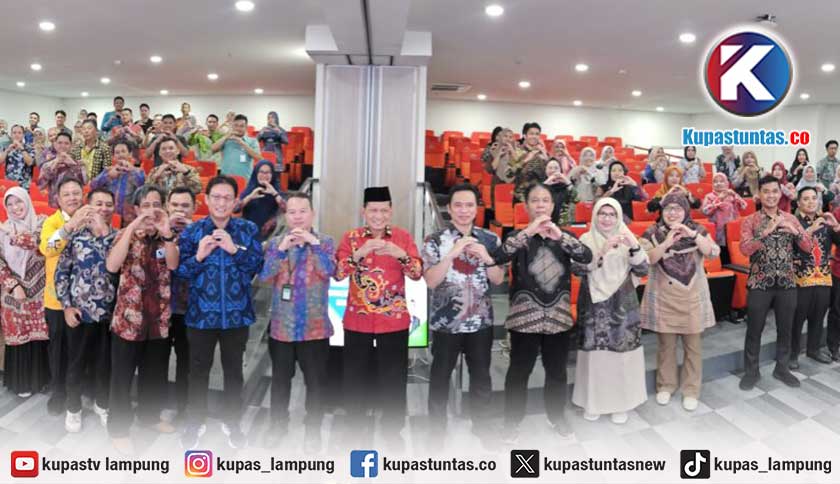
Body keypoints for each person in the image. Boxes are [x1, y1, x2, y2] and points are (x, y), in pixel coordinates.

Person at [490, 183, 592, 441]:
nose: (540, 205)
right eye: (534, 200)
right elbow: (498, 256)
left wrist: (560, 236)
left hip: (558, 317)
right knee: (519, 371)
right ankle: (511, 422)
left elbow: (586, 257)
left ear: (553, 205)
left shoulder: (564, 237)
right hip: (524, 318)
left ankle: (556, 417)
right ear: (526, 206)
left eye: (545, 200)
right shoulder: (518, 236)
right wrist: (529, 231)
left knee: (557, 371)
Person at [176, 176, 264, 450]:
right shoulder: (192, 232)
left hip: (237, 316)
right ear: (206, 199)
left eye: (227, 198)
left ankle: (232, 421)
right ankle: (195, 421)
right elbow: (181, 272)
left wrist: (234, 249)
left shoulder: (247, 229)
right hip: (200, 315)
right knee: (197, 371)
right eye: (216, 197)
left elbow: (258, 267)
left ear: (236, 201)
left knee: (234, 371)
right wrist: (199, 256)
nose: (221, 203)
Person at [334, 186, 423, 449]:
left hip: (393, 321)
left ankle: (392, 431)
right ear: (363, 211)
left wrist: (400, 255)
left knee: (394, 379)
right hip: (357, 321)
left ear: (391, 211)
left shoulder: (402, 237)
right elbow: (338, 273)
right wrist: (359, 254)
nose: (378, 216)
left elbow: (417, 273)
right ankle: (354, 428)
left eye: (384, 210)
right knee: (354, 377)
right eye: (373, 210)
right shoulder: (351, 238)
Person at [422, 184, 504, 444]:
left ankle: (483, 425)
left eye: (469, 205)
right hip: (446, 323)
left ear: (477, 209)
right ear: (449, 208)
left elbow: (499, 279)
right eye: (458, 205)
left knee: (481, 375)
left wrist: (487, 258)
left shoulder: (490, 239)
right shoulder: (434, 240)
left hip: (481, 322)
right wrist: (451, 255)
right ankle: (436, 431)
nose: (464, 210)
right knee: (440, 377)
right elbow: (430, 281)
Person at [105, 185, 179, 454]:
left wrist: (167, 233)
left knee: (154, 374)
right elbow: (112, 265)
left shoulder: (167, 237)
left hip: (158, 320)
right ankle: (118, 429)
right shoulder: (124, 235)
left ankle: (149, 416)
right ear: (136, 209)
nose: (151, 210)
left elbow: (173, 264)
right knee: (122, 377)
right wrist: (132, 228)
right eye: (145, 205)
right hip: (128, 321)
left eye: (156, 204)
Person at [259, 192, 334, 451]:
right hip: (282, 328)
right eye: (292, 212)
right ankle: (277, 425)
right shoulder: (275, 243)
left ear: (312, 214)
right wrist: (281, 250)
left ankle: (312, 430)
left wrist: (314, 243)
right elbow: (264, 277)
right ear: (286, 216)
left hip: (315, 328)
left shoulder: (325, 242)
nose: (298, 217)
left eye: (303, 211)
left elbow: (329, 272)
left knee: (316, 383)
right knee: (280, 381)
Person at [572, 197, 648, 424]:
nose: (607, 219)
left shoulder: (627, 238)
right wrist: (601, 252)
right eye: (602, 214)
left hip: (622, 303)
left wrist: (634, 245)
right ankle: (593, 403)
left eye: (612, 214)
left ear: (618, 217)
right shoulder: (585, 239)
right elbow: (577, 268)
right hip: (593, 305)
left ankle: (621, 404)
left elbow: (643, 269)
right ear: (595, 216)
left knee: (622, 356)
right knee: (594, 357)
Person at [640, 192, 719, 411]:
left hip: (692, 297)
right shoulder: (652, 232)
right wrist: (666, 243)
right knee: (666, 347)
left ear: (686, 211)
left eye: (678, 209)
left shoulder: (697, 230)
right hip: (664, 298)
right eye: (668, 209)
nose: (673, 213)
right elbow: (647, 260)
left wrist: (692, 234)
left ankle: (691, 390)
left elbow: (713, 252)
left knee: (693, 348)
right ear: (662, 211)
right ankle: (666, 386)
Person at [739, 175, 813, 391]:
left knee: (786, 329)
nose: (771, 195)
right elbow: (745, 249)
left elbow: (808, 247)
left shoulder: (791, 219)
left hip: (787, 283)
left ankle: (782, 368)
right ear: (759, 194)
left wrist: (796, 232)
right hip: (760, 283)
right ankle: (751, 372)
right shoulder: (751, 220)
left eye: (774, 191)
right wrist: (766, 232)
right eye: (766, 191)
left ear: (780, 194)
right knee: (754, 330)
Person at [54, 188, 117, 433]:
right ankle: (73, 408)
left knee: (104, 364)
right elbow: (62, 272)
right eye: (98, 203)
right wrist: (66, 306)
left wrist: (103, 232)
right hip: (79, 314)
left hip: (109, 316)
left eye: (108, 204)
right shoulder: (75, 236)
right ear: (88, 206)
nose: (104, 208)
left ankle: (102, 404)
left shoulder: (118, 237)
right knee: (76, 364)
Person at [39, 177, 88, 415]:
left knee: (78, 349)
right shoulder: (52, 222)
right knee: (58, 350)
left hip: (84, 300)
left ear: (83, 195)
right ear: (58, 199)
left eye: (76, 193)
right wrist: (69, 227)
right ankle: (58, 392)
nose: (72, 198)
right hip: (57, 301)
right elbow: (47, 248)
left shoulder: (91, 220)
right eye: (66, 194)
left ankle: (76, 391)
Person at [0, 188, 49, 398]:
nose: (15, 208)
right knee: (18, 336)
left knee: (40, 335)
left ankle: (42, 379)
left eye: (19, 202)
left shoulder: (42, 222)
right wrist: (13, 285)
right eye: (10, 204)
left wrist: (13, 236)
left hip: (41, 289)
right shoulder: (3, 230)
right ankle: (21, 382)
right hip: (13, 293)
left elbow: (39, 244)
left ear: (27, 201)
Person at [790, 187, 837, 368]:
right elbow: (791, 246)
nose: (811, 202)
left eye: (814, 198)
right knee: (797, 318)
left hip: (823, 277)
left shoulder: (826, 222)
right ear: (799, 202)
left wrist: (836, 226)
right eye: (806, 199)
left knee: (818, 316)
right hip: (801, 278)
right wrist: (809, 230)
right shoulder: (793, 222)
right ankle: (792, 354)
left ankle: (814, 349)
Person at [166, 187, 197, 421]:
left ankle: (184, 407)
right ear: (168, 206)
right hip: (162, 308)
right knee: (156, 360)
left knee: (187, 361)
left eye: (185, 206)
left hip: (191, 309)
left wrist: (191, 231)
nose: (180, 210)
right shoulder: (158, 231)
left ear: (194, 208)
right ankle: (154, 405)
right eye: (175, 205)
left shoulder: (201, 233)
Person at [90, 141, 146, 226]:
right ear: (113, 156)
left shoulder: (138, 171)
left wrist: (132, 170)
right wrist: (108, 176)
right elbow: (93, 185)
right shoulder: (108, 170)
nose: (120, 155)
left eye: (123, 151)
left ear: (130, 154)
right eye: (117, 152)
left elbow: (143, 187)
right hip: (110, 215)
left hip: (130, 216)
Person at [234, 159, 286, 242]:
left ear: (272, 175)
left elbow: (286, 209)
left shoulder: (277, 190)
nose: (264, 175)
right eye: (261, 172)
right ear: (256, 173)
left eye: (267, 172)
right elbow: (235, 209)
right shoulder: (249, 189)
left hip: (270, 234)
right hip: (248, 233)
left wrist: (274, 193)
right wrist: (250, 197)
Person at [701, 173, 747, 264]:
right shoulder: (709, 196)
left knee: (733, 255)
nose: (718, 183)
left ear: (727, 183)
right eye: (715, 182)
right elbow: (705, 211)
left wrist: (735, 195)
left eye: (721, 181)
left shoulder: (731, 195)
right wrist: (719, 199)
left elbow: (744, 206)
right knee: (723, 256)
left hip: (733, 231)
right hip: (718, 231)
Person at [38, 132, 87, 208]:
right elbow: (41, 185)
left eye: (66, 143)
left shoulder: (79, 164)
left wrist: (72, 164)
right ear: (55, 144)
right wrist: (53, 166)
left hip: (74, 203)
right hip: (55, 204)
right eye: (60, 143)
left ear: (71, 145)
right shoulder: (47, 164)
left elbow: (84, 182)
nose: (63, 146)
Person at [213, 114, 261, 179]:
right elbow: (212, 150)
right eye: (236, 125)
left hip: (245, 180)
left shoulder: (253, 141)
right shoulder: (226, 140)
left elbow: (258, 157)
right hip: (226, 180)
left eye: (241, 126)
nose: (238, 128)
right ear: (232, 126)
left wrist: (242, 143)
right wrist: (226, 136)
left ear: (246, 127)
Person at [543, 158, 575, 224]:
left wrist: (567, 181)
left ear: (560, 171)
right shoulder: (541, 186)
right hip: (545, 222)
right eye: (550, 168)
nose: (553, 170)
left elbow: (577, 199)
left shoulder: (566, 186)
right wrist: (548, 182)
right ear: (545, 170)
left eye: (556, 168)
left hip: (563, 223)